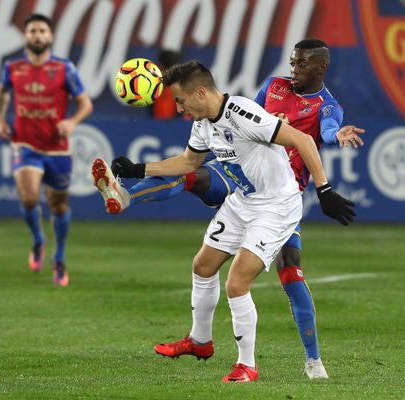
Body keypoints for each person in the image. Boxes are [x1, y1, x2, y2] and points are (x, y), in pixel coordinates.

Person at [93, 39, 365, 379]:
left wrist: (324, 190)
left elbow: (305, 139)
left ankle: (247, 366)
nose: (178, 109)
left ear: (201, 93)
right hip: (243, 199)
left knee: (237, 283)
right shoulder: (204, 121)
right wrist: (139, 168)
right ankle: (200, 341)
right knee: (203, 265)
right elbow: (189, 160)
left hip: (276, 206)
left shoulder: (243, 113)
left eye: (180, 101)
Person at [0, 13, 93, 286]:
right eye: (32, 31)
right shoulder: (13, 67)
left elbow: (85, 103)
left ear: (50, 36)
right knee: (28, 198)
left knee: (58, 206)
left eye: (41, 31)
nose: (37, 35)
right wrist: (0, 118)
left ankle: (58, 256)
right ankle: (38, 239)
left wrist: (72, 122)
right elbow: (3, 92)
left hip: (57, 148)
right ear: (26, 36)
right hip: (25, 144)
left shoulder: (64, 69)